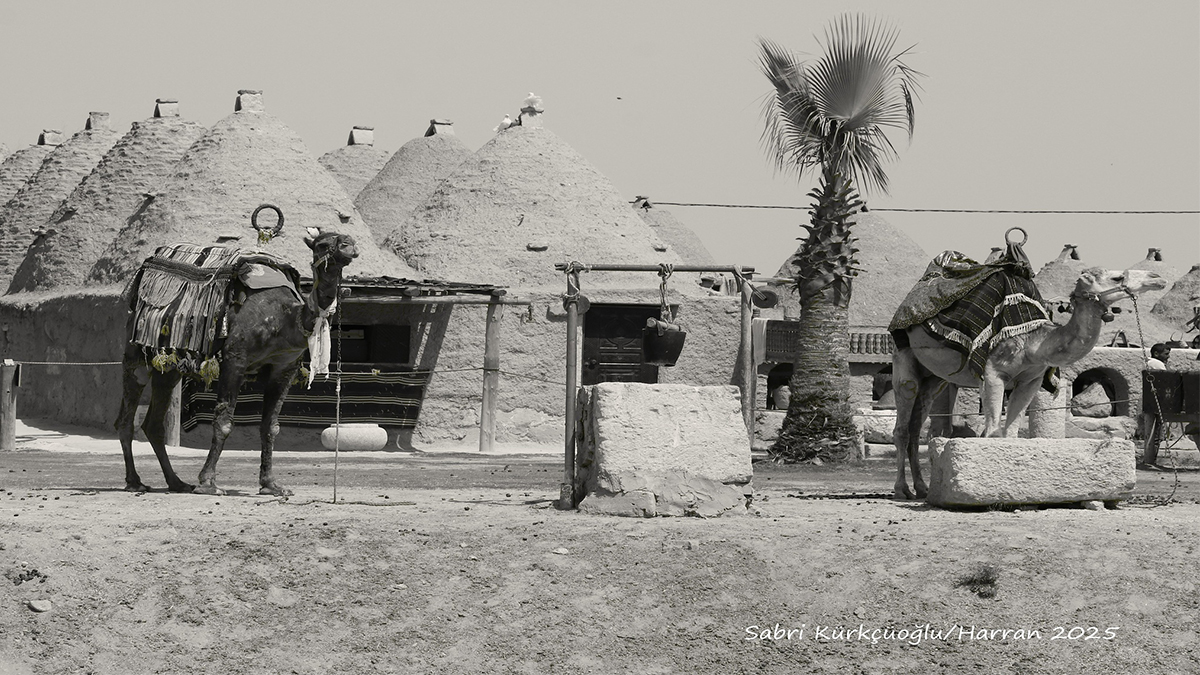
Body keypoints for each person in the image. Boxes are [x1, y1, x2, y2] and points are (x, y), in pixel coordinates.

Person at [1140, 343, 1172, 467]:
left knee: (1153, 432)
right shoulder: (1156, 363)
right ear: (1156, 354)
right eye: (1166, 354)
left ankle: (1150, 460)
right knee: (1157, 432)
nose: (1168, 357)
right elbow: (1168, 379)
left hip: (1149, 400)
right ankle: (1151, 460)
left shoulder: (1150, 362)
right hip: (1156, 401)